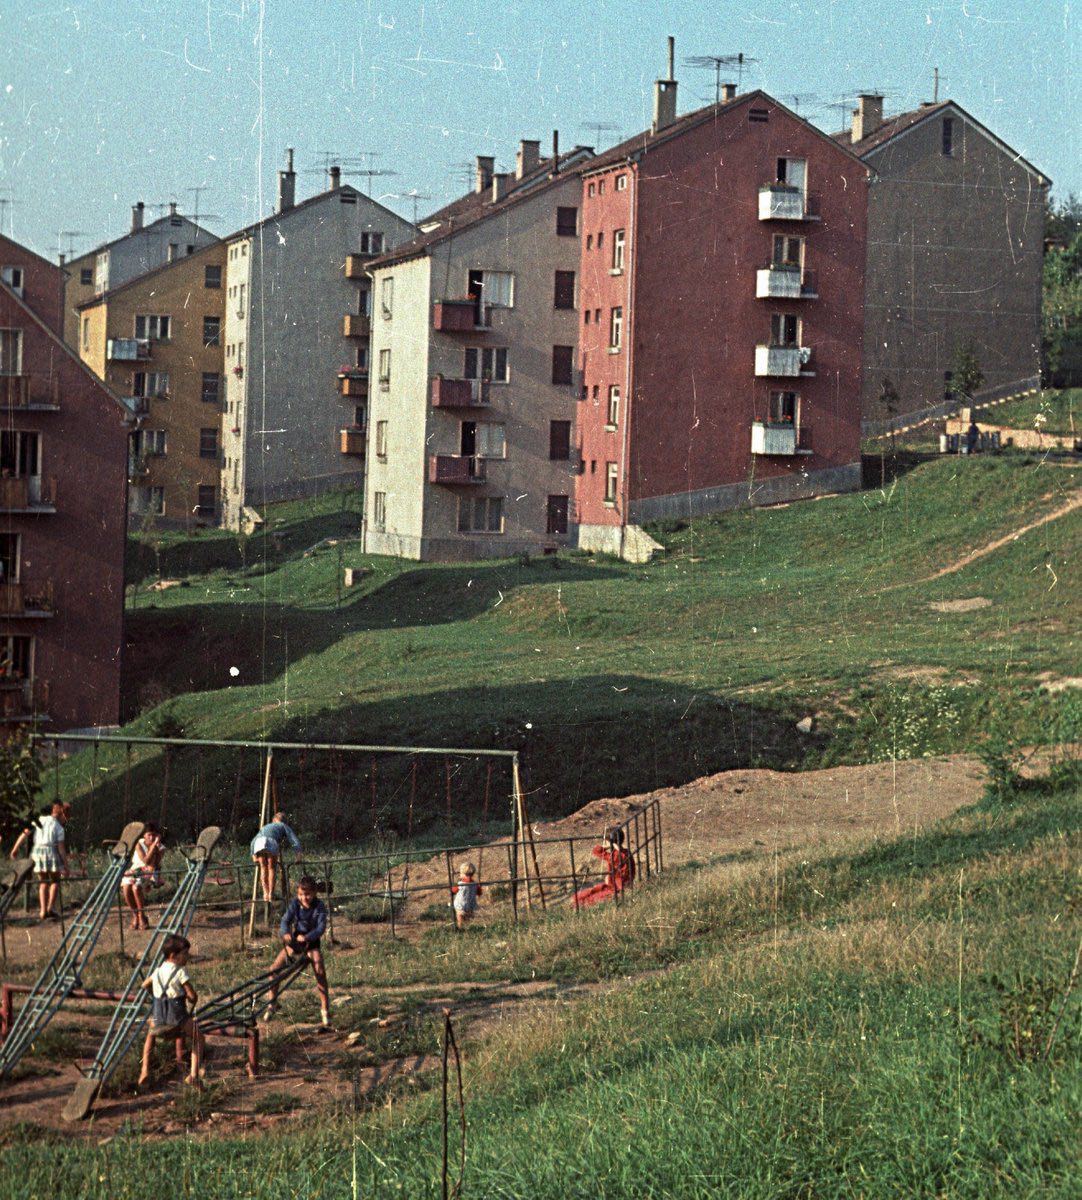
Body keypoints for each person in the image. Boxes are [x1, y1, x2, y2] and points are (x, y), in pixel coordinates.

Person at [262, 875, 330, 1030]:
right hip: (296, 942)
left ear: (314, 894)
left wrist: (306, 937)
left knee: (319, 969)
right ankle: (272, 1003)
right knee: (274, 969)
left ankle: (325, 1010)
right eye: (300, 894)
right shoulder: (295, 904)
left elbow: (320, 928)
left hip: (311, 944)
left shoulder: (319, 906)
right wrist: (285, 933)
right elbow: (285, 921)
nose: (304, 898)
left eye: (307, 895)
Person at [138, 933, 204, 1090]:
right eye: (185, 954)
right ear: (174, 955)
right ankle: (194, 1075)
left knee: (150, 1035)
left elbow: (144, 985)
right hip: (177, 1018)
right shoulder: (180, 971)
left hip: (160, 1018)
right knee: (199, 1038)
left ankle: (144, 1069)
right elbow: (192, 995)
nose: (187, 957)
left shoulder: (158, 971)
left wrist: (155, 994)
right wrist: (192, 1000)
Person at [9, 802, 68, 920]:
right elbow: (61, 849)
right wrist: (65, 865)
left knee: (43, 882)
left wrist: (15, 848)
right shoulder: (58, 827)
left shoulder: (39, 820)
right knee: (55, 881)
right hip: (51, 852)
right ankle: (49, 908)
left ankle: (42, 911)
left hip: (37, 852)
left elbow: (25, 833)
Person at [573, 827, 635, 909]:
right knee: (586, 894)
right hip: (617, 885)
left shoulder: (615, 856)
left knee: (584, 900)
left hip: (616, 888)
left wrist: (607, 846)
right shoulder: (626, 852)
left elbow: (596, 851)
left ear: (610, 842)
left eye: (605, 840)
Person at [250, 810, 301, 904]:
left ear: (274, 820)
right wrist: (298, 854)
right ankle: (271, 894)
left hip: (259, 842)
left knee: (263, 867)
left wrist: (253, 855)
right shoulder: (283, 825)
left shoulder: (265, 827)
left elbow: (254, 840)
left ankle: (265, 893)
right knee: (271, 867)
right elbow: (293, 839)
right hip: (271, 841)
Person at [120, 822, 164, 931]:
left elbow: (152, 864)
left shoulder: (161, 848)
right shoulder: (139, 844)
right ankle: (136, 916)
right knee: (126, 887)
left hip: (150, 872)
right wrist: (154, 846)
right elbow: (145, 860)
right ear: (144, 835)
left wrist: (154, 846)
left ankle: (142, 916)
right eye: (149, 834)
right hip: (135, 870)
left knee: (136, 887)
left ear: (157, 835)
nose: (151, 837)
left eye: (154, 835)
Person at [450, 861, 483, 930]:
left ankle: (460, 929)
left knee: (460, 919)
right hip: (470, 905)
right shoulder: (475, 884)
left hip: (460, 906)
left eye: (461, 873)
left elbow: (453, 891)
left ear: (463, 874)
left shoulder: (460, 884)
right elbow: (479, 893)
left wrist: (453, 886)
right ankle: (468, 930)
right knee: (468, 921)